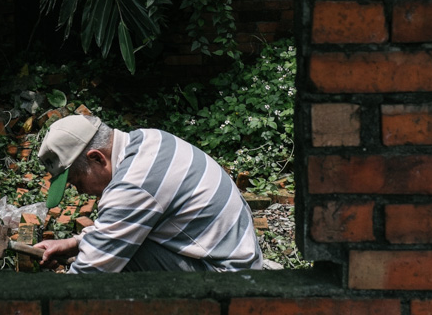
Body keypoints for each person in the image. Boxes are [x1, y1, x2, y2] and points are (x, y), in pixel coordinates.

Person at [33, 113, 264, 272]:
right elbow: (121, 225)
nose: (80, 191)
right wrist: (74, 244)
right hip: (236, 258)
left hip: (230, 279)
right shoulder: (149, 139)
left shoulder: (132, 185)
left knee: (121, 262)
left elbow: (90, 273)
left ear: (96, 158)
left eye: (76, 181)